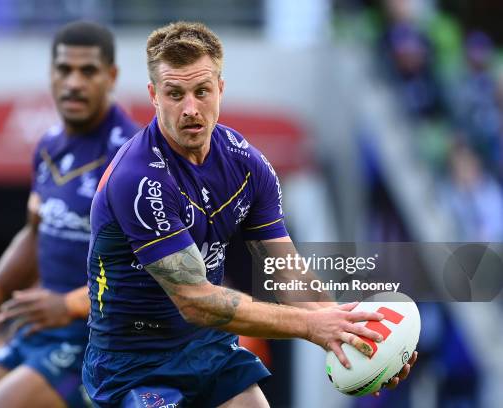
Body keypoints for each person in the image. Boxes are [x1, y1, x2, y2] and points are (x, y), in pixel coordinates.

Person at [82, 21, 417, 407]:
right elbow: (196, 302)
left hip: (208, 349)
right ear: (154, 95)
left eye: (201, 91)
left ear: (220, 89)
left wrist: (356, 335)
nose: (190, 108)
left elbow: (286, 273)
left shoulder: (248, 166)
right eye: (175, 94)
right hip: (133, 360)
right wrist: (312, 326)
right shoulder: (139, 179)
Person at [0, 21, 140, 408]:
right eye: (64, 69)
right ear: (51, 74)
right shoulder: (49, 146)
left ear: (111, 76)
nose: (74, 82)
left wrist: (71, 304)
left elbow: (151, 271)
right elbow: (34, 236)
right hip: (41, 328)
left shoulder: (132, 158)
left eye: (87, 71)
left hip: (98, 338)